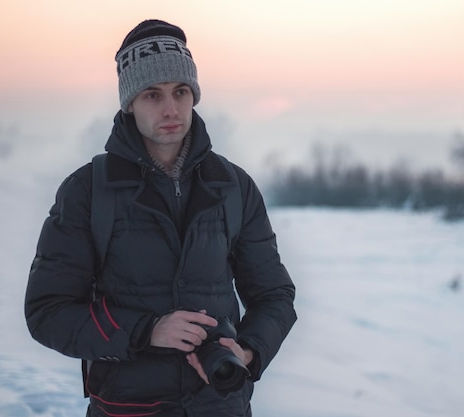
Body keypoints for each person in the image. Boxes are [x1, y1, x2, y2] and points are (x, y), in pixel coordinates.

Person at [25, 19, 297, 417]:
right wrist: (146, 331)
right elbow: (47, 312)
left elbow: (274, 296)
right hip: (127, 409)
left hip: (220, 406)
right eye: (153, 94)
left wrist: (249, 350)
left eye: (180, 92)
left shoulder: (233, 186)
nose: (171, 109)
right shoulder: (88, 190)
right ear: (130, 102)